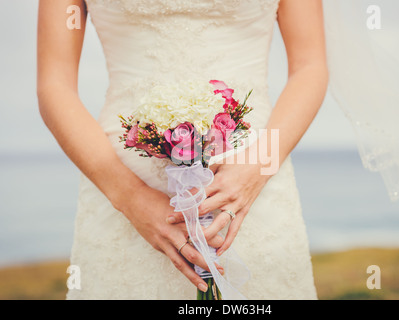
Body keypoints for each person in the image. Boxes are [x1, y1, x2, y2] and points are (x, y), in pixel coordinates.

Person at [37, 0, 328, 299]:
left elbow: (310, 67)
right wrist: (131, 198)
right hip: (120, 184)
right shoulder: (127, 197)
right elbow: (54, 85)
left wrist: (258, 165)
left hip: (254, 181)